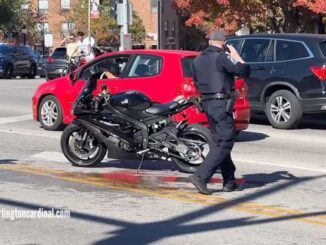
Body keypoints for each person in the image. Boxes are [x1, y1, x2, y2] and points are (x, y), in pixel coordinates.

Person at [189, 30, 251, 195]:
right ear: (223, 43)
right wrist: (237, 56)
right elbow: (245, 71)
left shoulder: (198, 59)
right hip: (221, 103)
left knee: (220, 142)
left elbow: (195, 81)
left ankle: (229, 181)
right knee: (226, 141)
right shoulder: (221, 57)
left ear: (210, 41)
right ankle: (201, 176)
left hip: (208, 105)